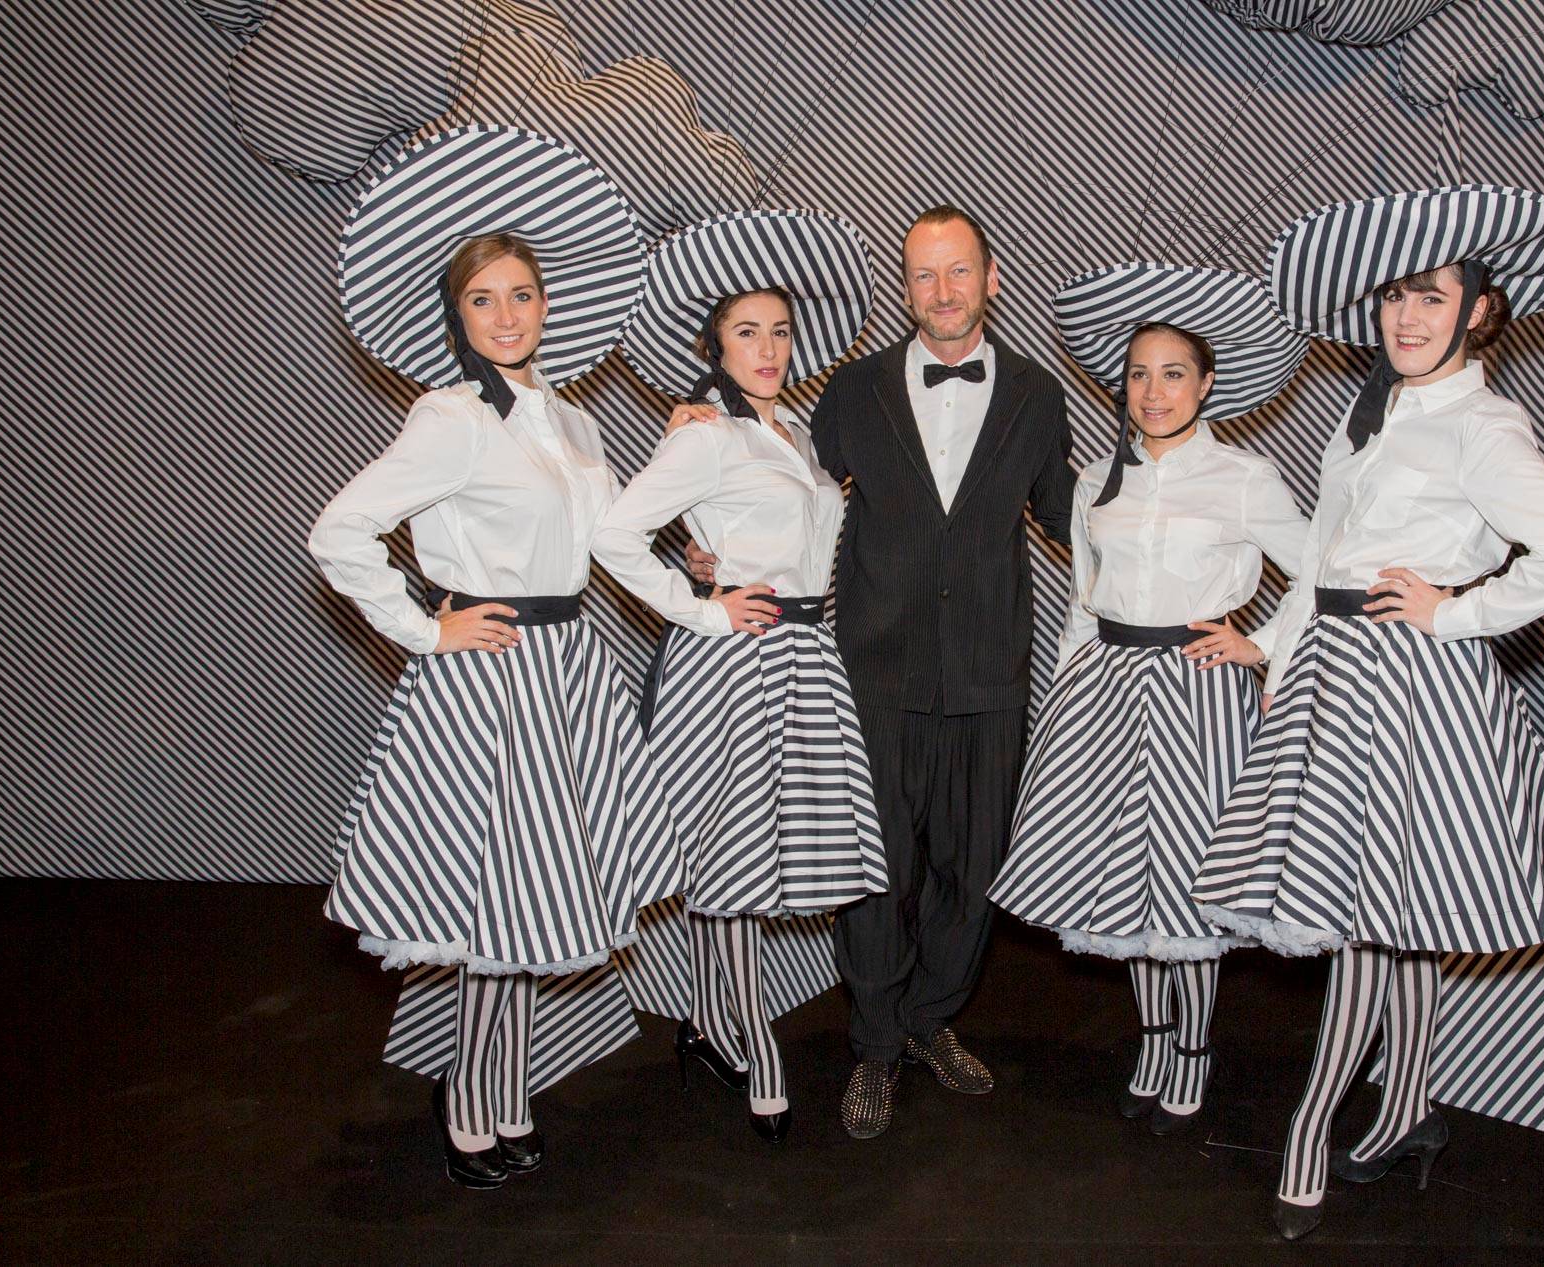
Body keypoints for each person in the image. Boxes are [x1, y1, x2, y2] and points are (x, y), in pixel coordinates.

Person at [1190, 186, 1544, 1239]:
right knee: (1396, 919)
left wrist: (1455, 610)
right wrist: (1278, 652)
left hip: (1409, 690)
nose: (1405, 317)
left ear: (1478, 308)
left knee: (1371, 923)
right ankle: (1408, 1111)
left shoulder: (1480, 422)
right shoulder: (1365, 412)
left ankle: (1309, 1133)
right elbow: (1323, 553)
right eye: (1390, 297)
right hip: (1335, 681)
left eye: (1429, 296)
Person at [311, 127, 682, 1189]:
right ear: (457, 318)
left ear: (545, 304)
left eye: (521, 293)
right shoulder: (449, 417)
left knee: (540, 899)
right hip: (490, 683)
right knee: (498, 906)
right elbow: (339, 532)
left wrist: (691, 482)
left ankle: (496, 1085)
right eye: (484, 299)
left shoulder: (573, 419)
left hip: (568, 673)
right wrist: (429, 628)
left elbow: (613, 537)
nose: (507, 314)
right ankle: (475, 1100)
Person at [681, 205, 1076, 1138]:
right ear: (906, 288)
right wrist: (710, 443)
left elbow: (1072, 519)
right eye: (923, 276)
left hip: (989, 672)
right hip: (869, 670)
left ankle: (930, 1019)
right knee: (875, 868)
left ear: (991, 277)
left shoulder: (1035, 392)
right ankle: (874, 1041)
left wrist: (1172, 500)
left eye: (958, 272)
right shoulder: (850, 394)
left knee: (972, 869)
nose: (941, 293)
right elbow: (778, 497)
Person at [989, 261, 1314, 1135]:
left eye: (1173, 372)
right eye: (1138, 373)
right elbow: (1083, 601)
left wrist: (1264, 644)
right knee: (1121, 882)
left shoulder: (1246, 475)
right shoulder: (1098, 479)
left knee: (1186, 884)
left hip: (1198, 692)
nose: (1154, 389)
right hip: (1107, 692)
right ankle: (1156, 1034)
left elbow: (1324, 569)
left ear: (1206, 383)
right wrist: (1063, 697)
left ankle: (1196, 1052)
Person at [593, 209, 887, 1143]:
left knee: (766, 856)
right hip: (729, 660)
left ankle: (714, 1024)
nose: (767, 348)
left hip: (802, 657)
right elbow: (611, 534)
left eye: (779, 330)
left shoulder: (797, 436)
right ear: (713, 342)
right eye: (745, 331)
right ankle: (748, 1036)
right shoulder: (707, 433)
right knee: (729, 854)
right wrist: (699, 604)